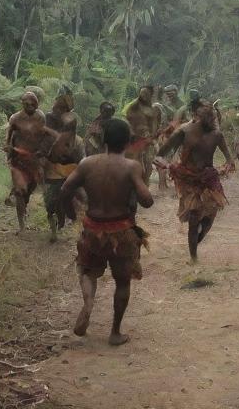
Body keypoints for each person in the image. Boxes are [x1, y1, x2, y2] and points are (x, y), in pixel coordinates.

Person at [59, 118, 153, 346]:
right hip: (121, 231)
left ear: (103, 140)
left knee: (88, 270)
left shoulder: (87, 163)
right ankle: (115, 332)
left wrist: (72, 211)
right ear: (128, 142)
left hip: (93, 229)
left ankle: (88, 302)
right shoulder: (131, 166)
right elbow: (147, 200)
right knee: (122, 282)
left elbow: (64, 189)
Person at [157, 101, 234, 260]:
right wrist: (170, 167)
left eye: (210, 119)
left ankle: (195, 243)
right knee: (194, 217)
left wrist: (226, 167)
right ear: (195, 118)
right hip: (188, 179)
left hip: (209, 180)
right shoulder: (183, 131)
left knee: (209, 219)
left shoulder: (217, 135)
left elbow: (229, 159)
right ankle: (194, 258)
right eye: (204, 119)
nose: (208, 122)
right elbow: (160, 154)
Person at [4, 91, 50, 232]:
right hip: (18, 161)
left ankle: (24, 206)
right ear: (22, 104)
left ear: (37, 104)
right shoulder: (15, 118)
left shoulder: (41, 117)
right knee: (20, 191)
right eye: (27, 104)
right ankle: (22, 225)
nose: (30, 106)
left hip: (34, 161)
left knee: (28, 191)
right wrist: (9, 149)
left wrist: (43, 153)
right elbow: (9, 135)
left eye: (33, 104)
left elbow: (44, 136)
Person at [42, 113, 85, 242]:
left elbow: (81, 161)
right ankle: (55, 230)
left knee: (70, 202)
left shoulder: (78, 141)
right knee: (50, 205)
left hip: (69, 177)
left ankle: (72, 225)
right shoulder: (50, 139)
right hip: (52, 176)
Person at [124, 84, 162, 185]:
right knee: (136, 163)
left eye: (146, 93)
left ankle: (145, 184)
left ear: (151, 94)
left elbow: (156, 124)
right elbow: (127, 120)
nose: (143, 95)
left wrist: (155, 136)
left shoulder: (155, 108)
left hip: (149, 141)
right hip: (135, 140)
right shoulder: (133, 107)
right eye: (141, 93)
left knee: (149, 164)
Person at [153, 84, 180, 193]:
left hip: (173, 136)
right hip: (164, 136)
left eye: (170, 93)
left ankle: (168, 185)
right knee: (163, 160)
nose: (168, 95)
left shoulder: (176, 105)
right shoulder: (158, 106)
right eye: (166, 93)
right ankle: (163, 185)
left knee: (173, 160)